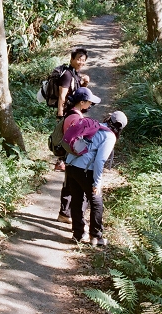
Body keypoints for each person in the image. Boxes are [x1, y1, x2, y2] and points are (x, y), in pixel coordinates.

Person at [65, 110, 128, 247]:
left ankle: (78, 234)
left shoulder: (96, 126)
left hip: (71, 165)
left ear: (109, 119)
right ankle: (95, 236)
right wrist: (97, 183)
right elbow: (100, 161)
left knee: (77, 199)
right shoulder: (110, 136)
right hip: (83, 170)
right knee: (96, 201)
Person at [56, 87, 101, 224]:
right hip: (72, 156)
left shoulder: (70, 113)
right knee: (71, 186)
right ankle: (66, 214)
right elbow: (76, 140)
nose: (91, 104)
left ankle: (64, 213)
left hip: (68, 154)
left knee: (68, 184)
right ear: (82, 102)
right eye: (89, 102)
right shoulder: (76, 118)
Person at [54, 47, 89, 171]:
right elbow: (62, 96)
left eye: (83, 60)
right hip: (67, 112)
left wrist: (85, 83)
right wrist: (60, 114)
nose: (81, 62)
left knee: (71, 136)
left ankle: (65, 161)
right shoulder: (67, 75)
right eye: (78, 59)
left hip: (72, 111)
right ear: (72, 59)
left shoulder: (75, 73)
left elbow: (77, 92)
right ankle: (61, 162)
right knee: (65, 136)